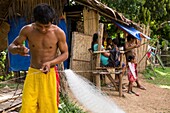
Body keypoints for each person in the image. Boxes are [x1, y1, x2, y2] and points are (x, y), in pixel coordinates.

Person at [8, 3, 68, 113]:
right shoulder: (27, 30)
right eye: (40, 26)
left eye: (47, 26)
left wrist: (50, 63)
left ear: (52, 22)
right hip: (32, 73)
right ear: (34, 21)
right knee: (27, 107)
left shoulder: (58, 33)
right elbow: (11, 46)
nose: (43, 29)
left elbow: (65, 54)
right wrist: (17, 49)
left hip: (49, 74)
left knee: (48, 108)